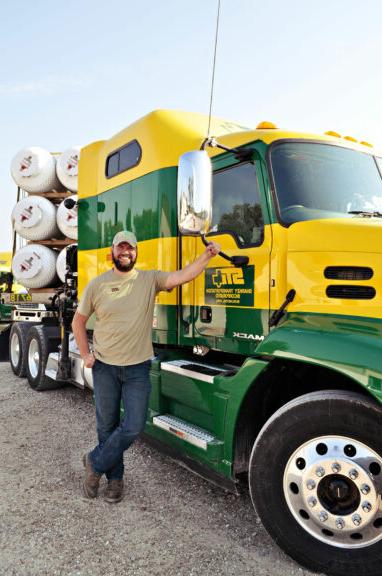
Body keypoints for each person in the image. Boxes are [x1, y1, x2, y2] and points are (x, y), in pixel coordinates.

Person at [72, 230, 220, 503]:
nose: (125, 252)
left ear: (136, 252)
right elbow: (78, 322)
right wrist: (85, 353)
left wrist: (206, 256)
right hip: (105, 367)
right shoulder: (97, 284)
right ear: (113, 252)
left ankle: (94, 461)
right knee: (106, 426)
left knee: (133, 425)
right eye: (120, 248)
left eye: (130, 248)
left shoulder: (149, 279)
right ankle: (115, 481)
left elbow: (183, 275)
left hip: (137, 369)